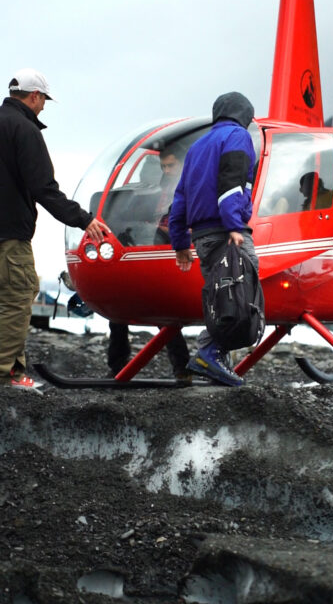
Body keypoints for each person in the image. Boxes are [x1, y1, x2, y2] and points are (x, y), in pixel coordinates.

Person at [0, 68, 109, 393]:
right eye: (44, 100)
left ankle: (11, 368)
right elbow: (44, 189)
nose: (44, 107)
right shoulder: (24, 129)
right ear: (34, 96)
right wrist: (83, 219)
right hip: (9, 234)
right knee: (18, 295)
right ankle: (7, 375)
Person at [169, 91, 258, 387]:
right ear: (244, 114)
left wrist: (180, 242)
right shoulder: (237, 137)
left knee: (221, 293)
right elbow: (232, 182)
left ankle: (215, 361)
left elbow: (180, 197)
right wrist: (234, 224)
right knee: (243, 294)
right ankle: (210, 352)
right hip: (225, 230)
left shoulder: (197, 147)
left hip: (202, 236)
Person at [107, 143, 190, 382]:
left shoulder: (191, 187)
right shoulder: (156, 190)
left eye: (171, 165)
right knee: (120, 309)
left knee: (162, 312)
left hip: (173, 251)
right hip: (151, 247)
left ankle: (182, 368)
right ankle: (117, 367)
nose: (167, 171)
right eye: (163, 166)